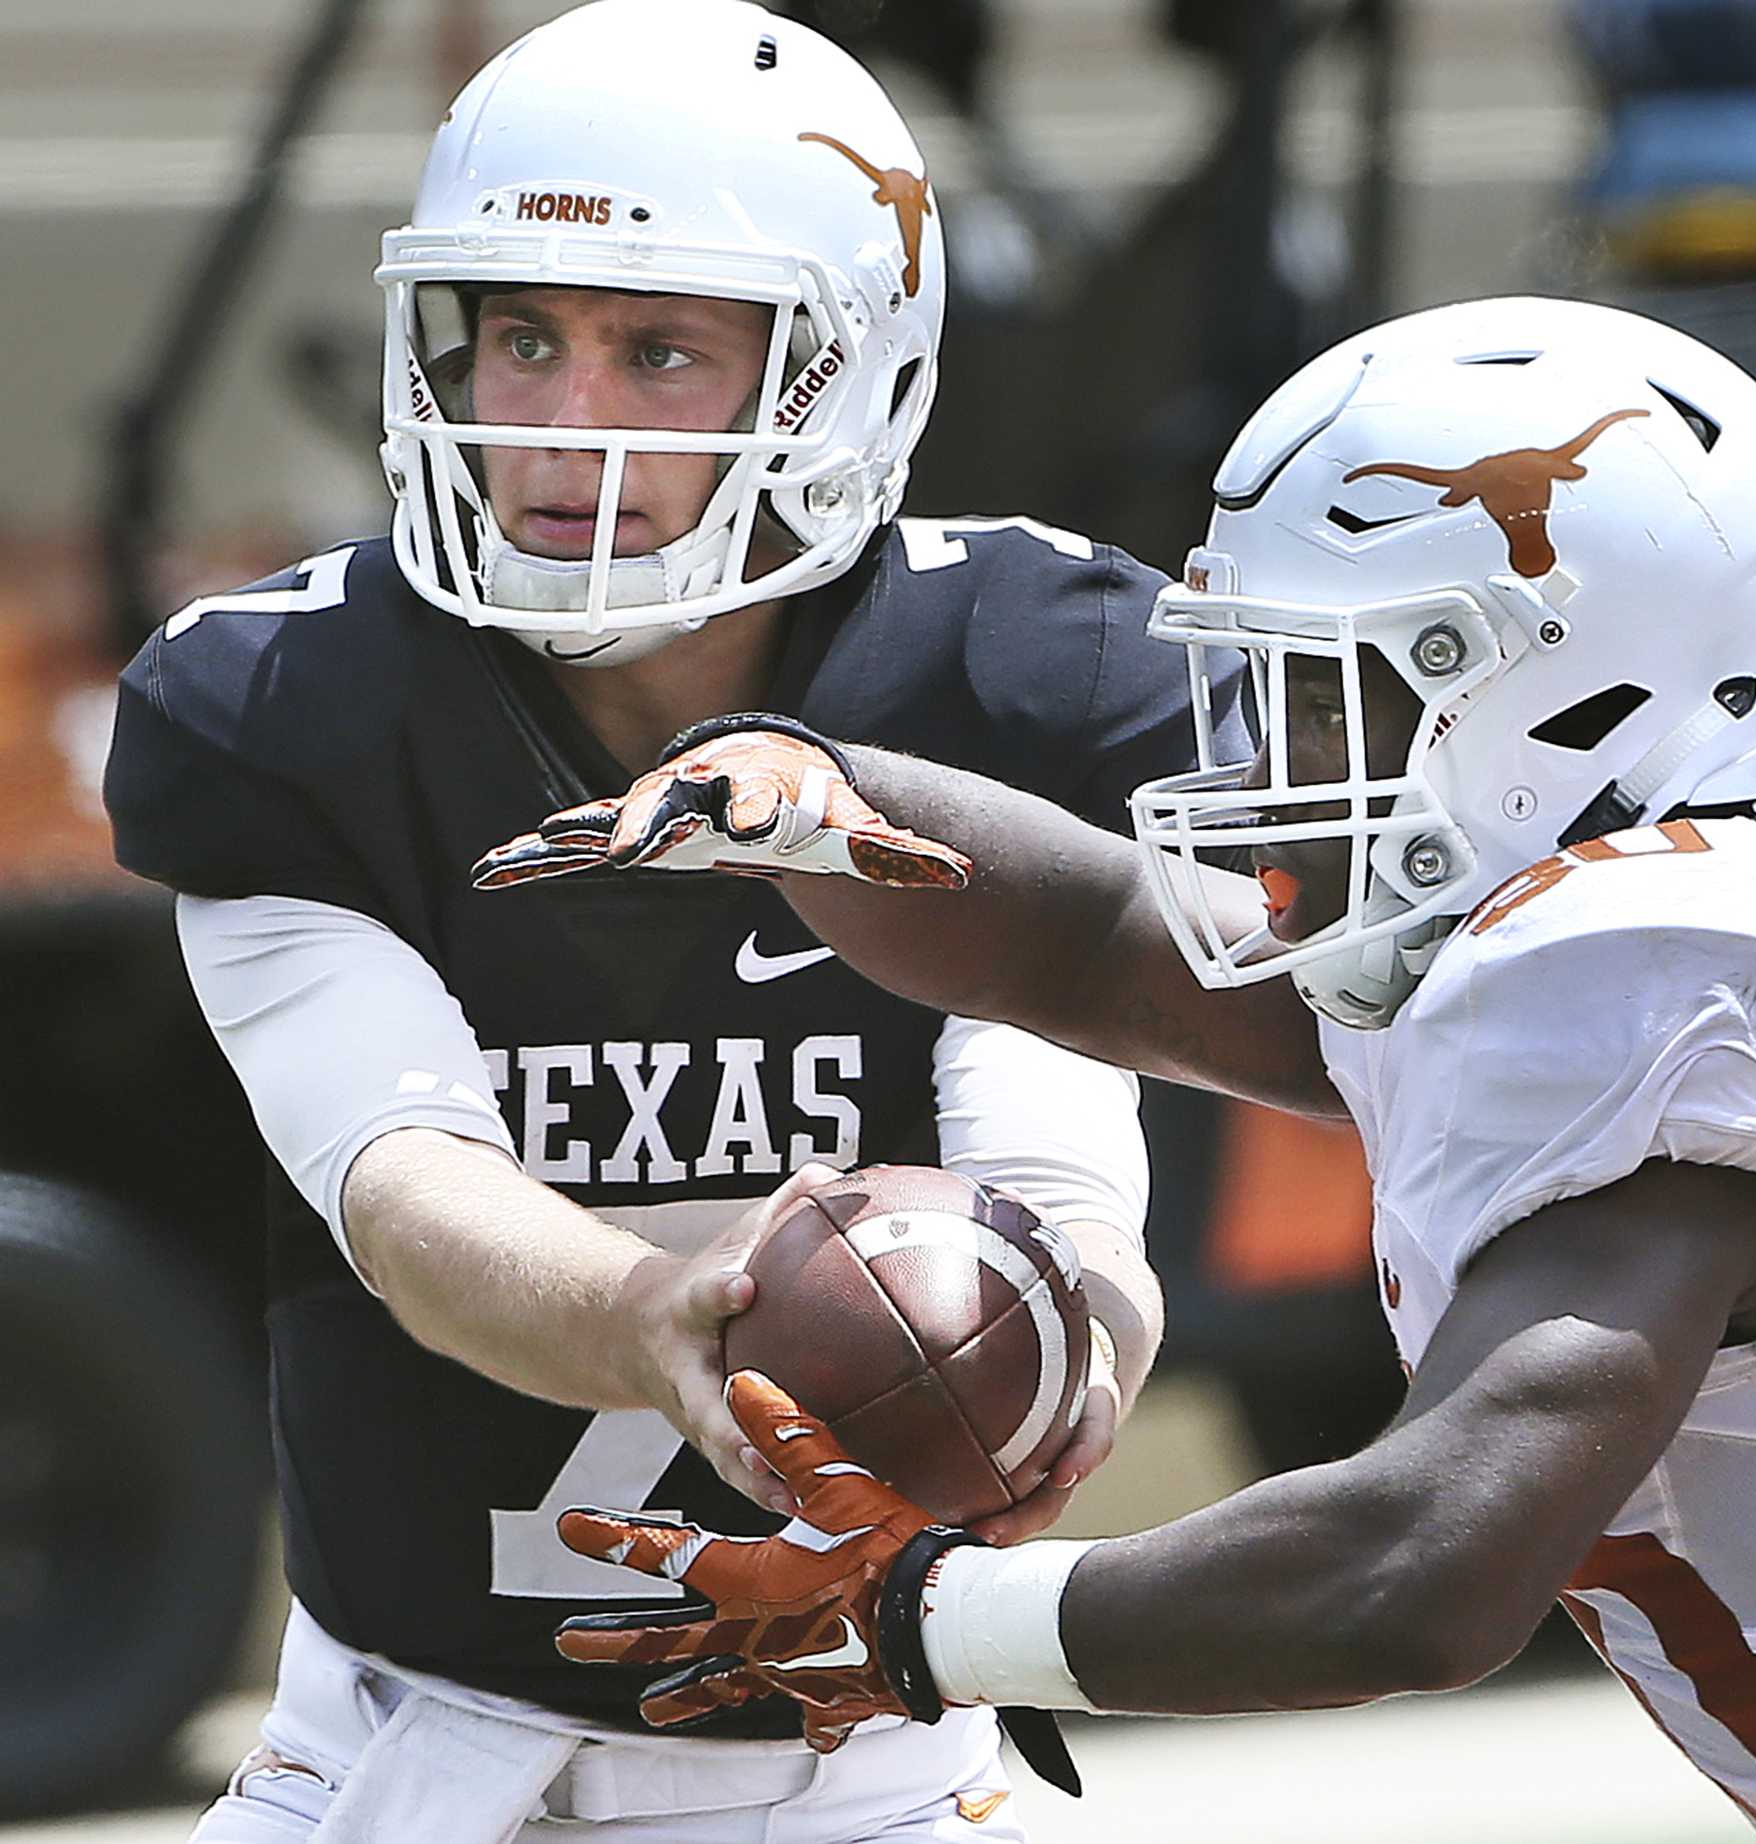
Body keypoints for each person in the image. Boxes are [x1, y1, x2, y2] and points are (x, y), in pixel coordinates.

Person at [479, 296, 1756, 1840]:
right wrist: (820, 795)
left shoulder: (1658, 986)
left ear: (1556, 695)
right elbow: (1106, 947)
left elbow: (1415, 1569)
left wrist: (923, 1623)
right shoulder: (1697, 889)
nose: (1252, 760)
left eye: (1309, 686)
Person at [101, 2, 1210, 1837]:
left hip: (873, 1774)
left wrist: (1050, 1345)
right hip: (396, 1749)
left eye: (659, 351)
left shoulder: (1024, 674)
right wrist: (656, 1316)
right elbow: (400, 1189)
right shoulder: (289, 708)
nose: (557, 425)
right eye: (521, 337)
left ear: (837, 378)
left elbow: (1064, 1204)